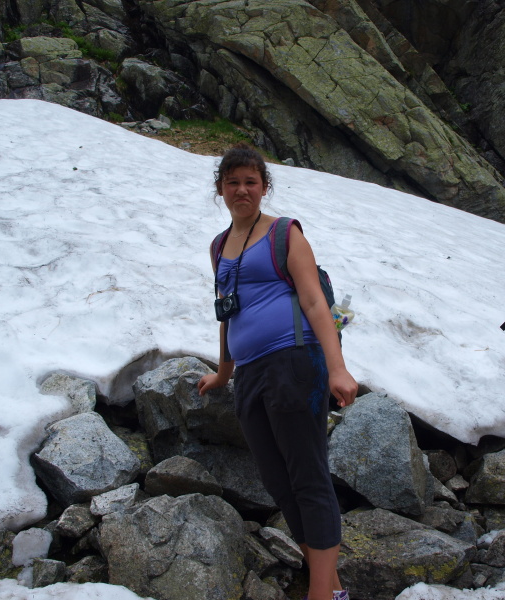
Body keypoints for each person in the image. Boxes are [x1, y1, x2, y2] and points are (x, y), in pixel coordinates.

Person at [197, 144, 357, 600]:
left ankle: (320, 594)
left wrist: (337, 369)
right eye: (232, 182)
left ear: (264, 187)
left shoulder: (284, 234)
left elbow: (314, 302)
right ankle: (333, 589)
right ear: (220, 189)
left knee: (308, 476)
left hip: (294, 362)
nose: (241, 190)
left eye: (251, 182)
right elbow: (227, 313)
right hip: (249, 373)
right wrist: (224, 372)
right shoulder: (219, 246)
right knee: (278, 482)